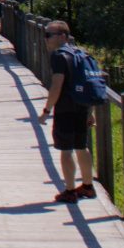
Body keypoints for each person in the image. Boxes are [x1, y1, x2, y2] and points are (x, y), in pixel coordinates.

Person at [39, 21, 97, 202]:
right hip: (82, 107)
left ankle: (70, 190)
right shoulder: (81, 53)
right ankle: (88, 186)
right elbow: (91, 83)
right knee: (82, 146)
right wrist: (90, 110)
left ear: (63, 36)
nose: (46, 39)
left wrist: (47, 110)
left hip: (65, 108)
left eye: (49, 35)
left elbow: (56, 85)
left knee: (66, 150)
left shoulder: (59, 56)